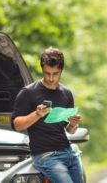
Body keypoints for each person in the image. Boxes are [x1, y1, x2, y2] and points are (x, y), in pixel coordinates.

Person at [11, 47, 83, 183]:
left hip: (68, 152)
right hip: (45, 156)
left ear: (61, 71)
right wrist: (37, 114)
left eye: (55, 74)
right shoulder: (28, 93)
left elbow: (69, 131)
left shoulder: (66, 94)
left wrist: (73, 124)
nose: (51, 78)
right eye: (47, 73)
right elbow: (16, 124)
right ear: (42, 69)